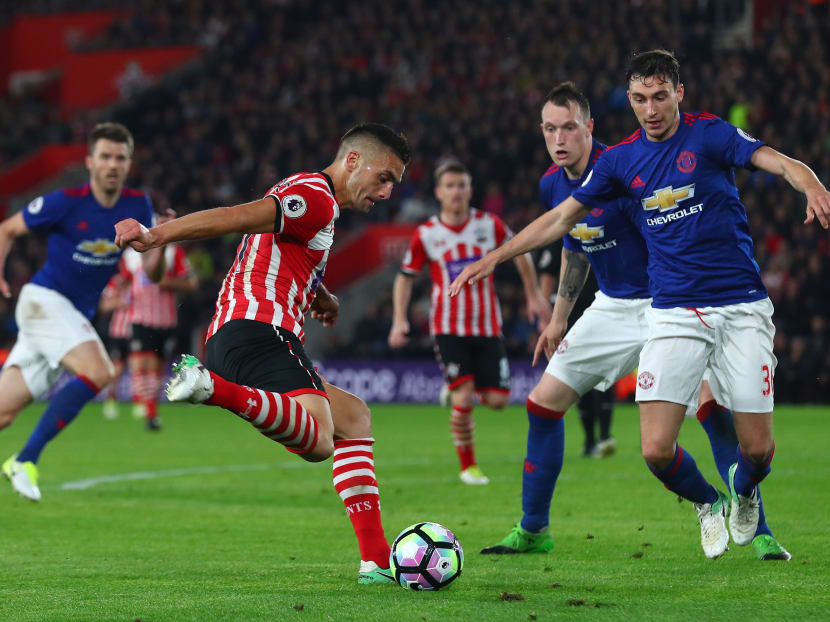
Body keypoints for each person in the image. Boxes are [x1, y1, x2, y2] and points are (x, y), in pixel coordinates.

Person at [453, 52, 830, 559]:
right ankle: (539, 527)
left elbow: (763, 170)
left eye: (659, 96)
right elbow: (568, 234)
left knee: (731, 426)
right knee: (572, 415)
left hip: (694, 300)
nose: (650, 109)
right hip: (636, 308)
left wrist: (810, 183)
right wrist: (524, 284)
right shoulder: (587, 174)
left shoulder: (682, 145)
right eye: (638, 99)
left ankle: (755, 518)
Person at [114, 122, 410, 585]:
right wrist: (156, 236)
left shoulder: (315, 201)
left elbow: (283, 253)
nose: (387, 192)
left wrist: (321, 297)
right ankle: (212, 389)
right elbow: (236, 217)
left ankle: (375, 563)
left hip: (244, 333)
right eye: (385, 177)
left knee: (354, 418)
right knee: (319, 440)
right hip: (258, 330)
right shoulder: (315, 196)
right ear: (353, 161)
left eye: (394, 183)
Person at [0, 122, 160, 501]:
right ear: (89, 161)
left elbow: (153, 273)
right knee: (100, 370)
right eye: (105, 157)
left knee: (4, 412)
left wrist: (161, 241)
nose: (112, 165)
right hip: (43, 302)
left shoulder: (139, 205)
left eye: (120, 158)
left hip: (71, 317)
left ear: (129, 163)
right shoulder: (64, 202)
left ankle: (22, 460)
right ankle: (25, 460)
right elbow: (6, 229)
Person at [388, 161, 551, 485]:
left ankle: (457, 386)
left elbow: (521, 252)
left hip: (488, 325)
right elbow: (405, 277)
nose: (457, 192)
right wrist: (398, 320)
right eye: (450, 186)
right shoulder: (427, 234)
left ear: (470, 189)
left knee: (498, 401)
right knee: (464, 399)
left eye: (462, 185)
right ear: (439, 192)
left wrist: (533, 295)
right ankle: (469, 467)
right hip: (448, 327)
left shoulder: (488, 225)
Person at [536, 241, 616, 459]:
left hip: (603, 307)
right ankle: (591, 440)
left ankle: (605, 436)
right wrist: (545, 316)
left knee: (605, 370)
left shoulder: (604, 230)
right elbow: (547, 274)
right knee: (582, 375)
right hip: (571, 312)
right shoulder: (563, 238)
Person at [121, 243, 198, 430]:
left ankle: (150, 409)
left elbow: (191, 284)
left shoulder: (173, 251)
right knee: (141, 364)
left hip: (165, 320)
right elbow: (123, 282)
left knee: (156, 368)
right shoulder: (129, 255)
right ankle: (149, 411)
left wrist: (165, 282)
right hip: (139, 318)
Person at [98, 273, 132, 420]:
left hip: (138, 330)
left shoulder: (142, 281)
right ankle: (111, 399)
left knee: (139, 367)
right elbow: (104, 306)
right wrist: (119, 302)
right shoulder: (116, 282)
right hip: (119, 332)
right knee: (117, 369)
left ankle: (141, 403)